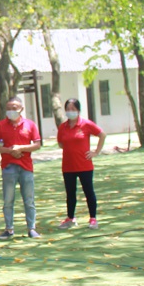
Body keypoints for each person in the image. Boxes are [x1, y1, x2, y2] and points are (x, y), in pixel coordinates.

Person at [0, 97, 42, 239]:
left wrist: (21, 148)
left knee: (29, 199)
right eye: (9, 108)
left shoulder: (30, 125)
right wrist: (10, 151)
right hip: (8, 167)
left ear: (21, 109)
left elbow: (37, 144)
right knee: (8, 199)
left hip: (26, 166)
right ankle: (9, 229)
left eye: (14, 108)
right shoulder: (0, 125)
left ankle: (31, 228)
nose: (11, 111)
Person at [56, 98, 106, 229]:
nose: (70, 112)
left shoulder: (86, 124)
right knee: (70, 193)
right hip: (68, 166)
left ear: (78, 110)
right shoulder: (63, 127)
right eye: (68, 109)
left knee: (89, 191)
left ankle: (93, 218)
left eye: (73, 109)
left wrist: (96, 152)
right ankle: (70, 218)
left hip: (84, 165)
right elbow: (61, 143)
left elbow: (102, 135)